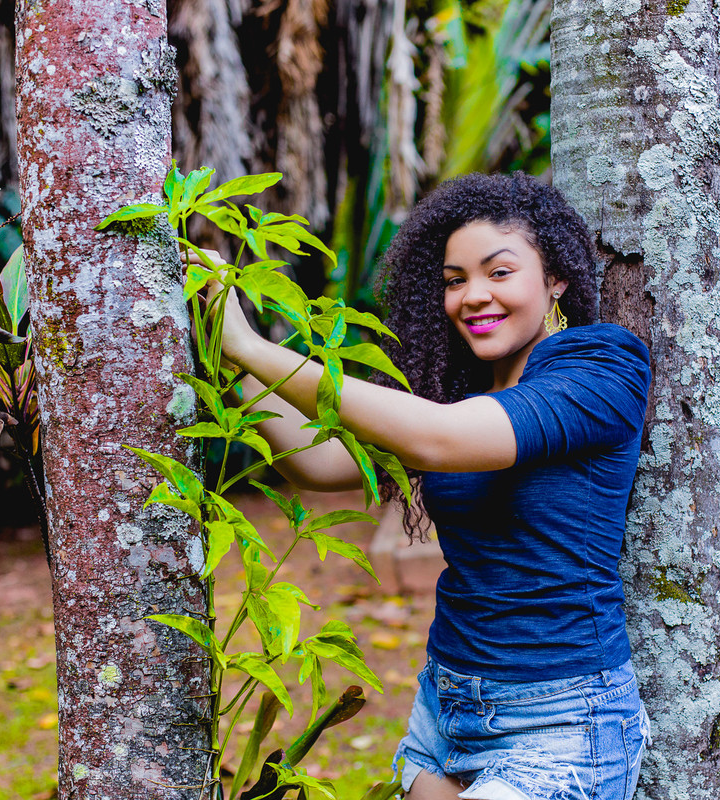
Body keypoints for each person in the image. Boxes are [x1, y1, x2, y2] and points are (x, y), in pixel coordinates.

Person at [183, 171, 652, 800]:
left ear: (557, 277)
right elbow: (317, 464)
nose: (472, 297)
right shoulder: (458, 393)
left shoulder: (602, 366)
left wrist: (254, 347)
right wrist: (223, 334)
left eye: (499, 272)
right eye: (454, 281)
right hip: (448, 706)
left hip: (561, 719)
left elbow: (441, 439)